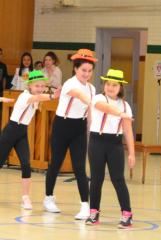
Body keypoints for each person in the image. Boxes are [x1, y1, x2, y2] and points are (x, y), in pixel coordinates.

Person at [0, 70, 61, 209]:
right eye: (37, 86)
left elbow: (38, 98)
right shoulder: (25, 96)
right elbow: (36, 98)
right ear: (29, 86)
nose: (40, 89)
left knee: (26, 164)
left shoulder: (35, 96)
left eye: (42, 86)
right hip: (11, 131)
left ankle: (25, 197)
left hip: (22, 133)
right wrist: (52, 96)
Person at [44, 49, 97, 220]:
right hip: (62, 125)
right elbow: (80, 96)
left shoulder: (92, 88)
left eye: (89, 71)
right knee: (56, 163)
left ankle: (85, 205)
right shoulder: (69, 84)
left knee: (80, 167)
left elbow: (89, 113)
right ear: (76, 69)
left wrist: (92, 131)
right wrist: (95, 103)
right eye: (83, 70)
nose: (86, 74)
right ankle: (48, 197)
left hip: (79, 128)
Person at [85, 69, 135, 229]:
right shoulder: (98, 98)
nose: (111, 87)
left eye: (115, 85)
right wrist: (121, 114)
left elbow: (127, 131)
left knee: (118, 179)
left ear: (121, 87)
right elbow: (104, 108)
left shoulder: (125, 105)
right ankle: (94, 213)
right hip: (96, 141)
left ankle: (127, 214)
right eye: (108, 84)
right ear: (104, 85)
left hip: (115, 144)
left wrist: (132, 153)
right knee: (96, 178)